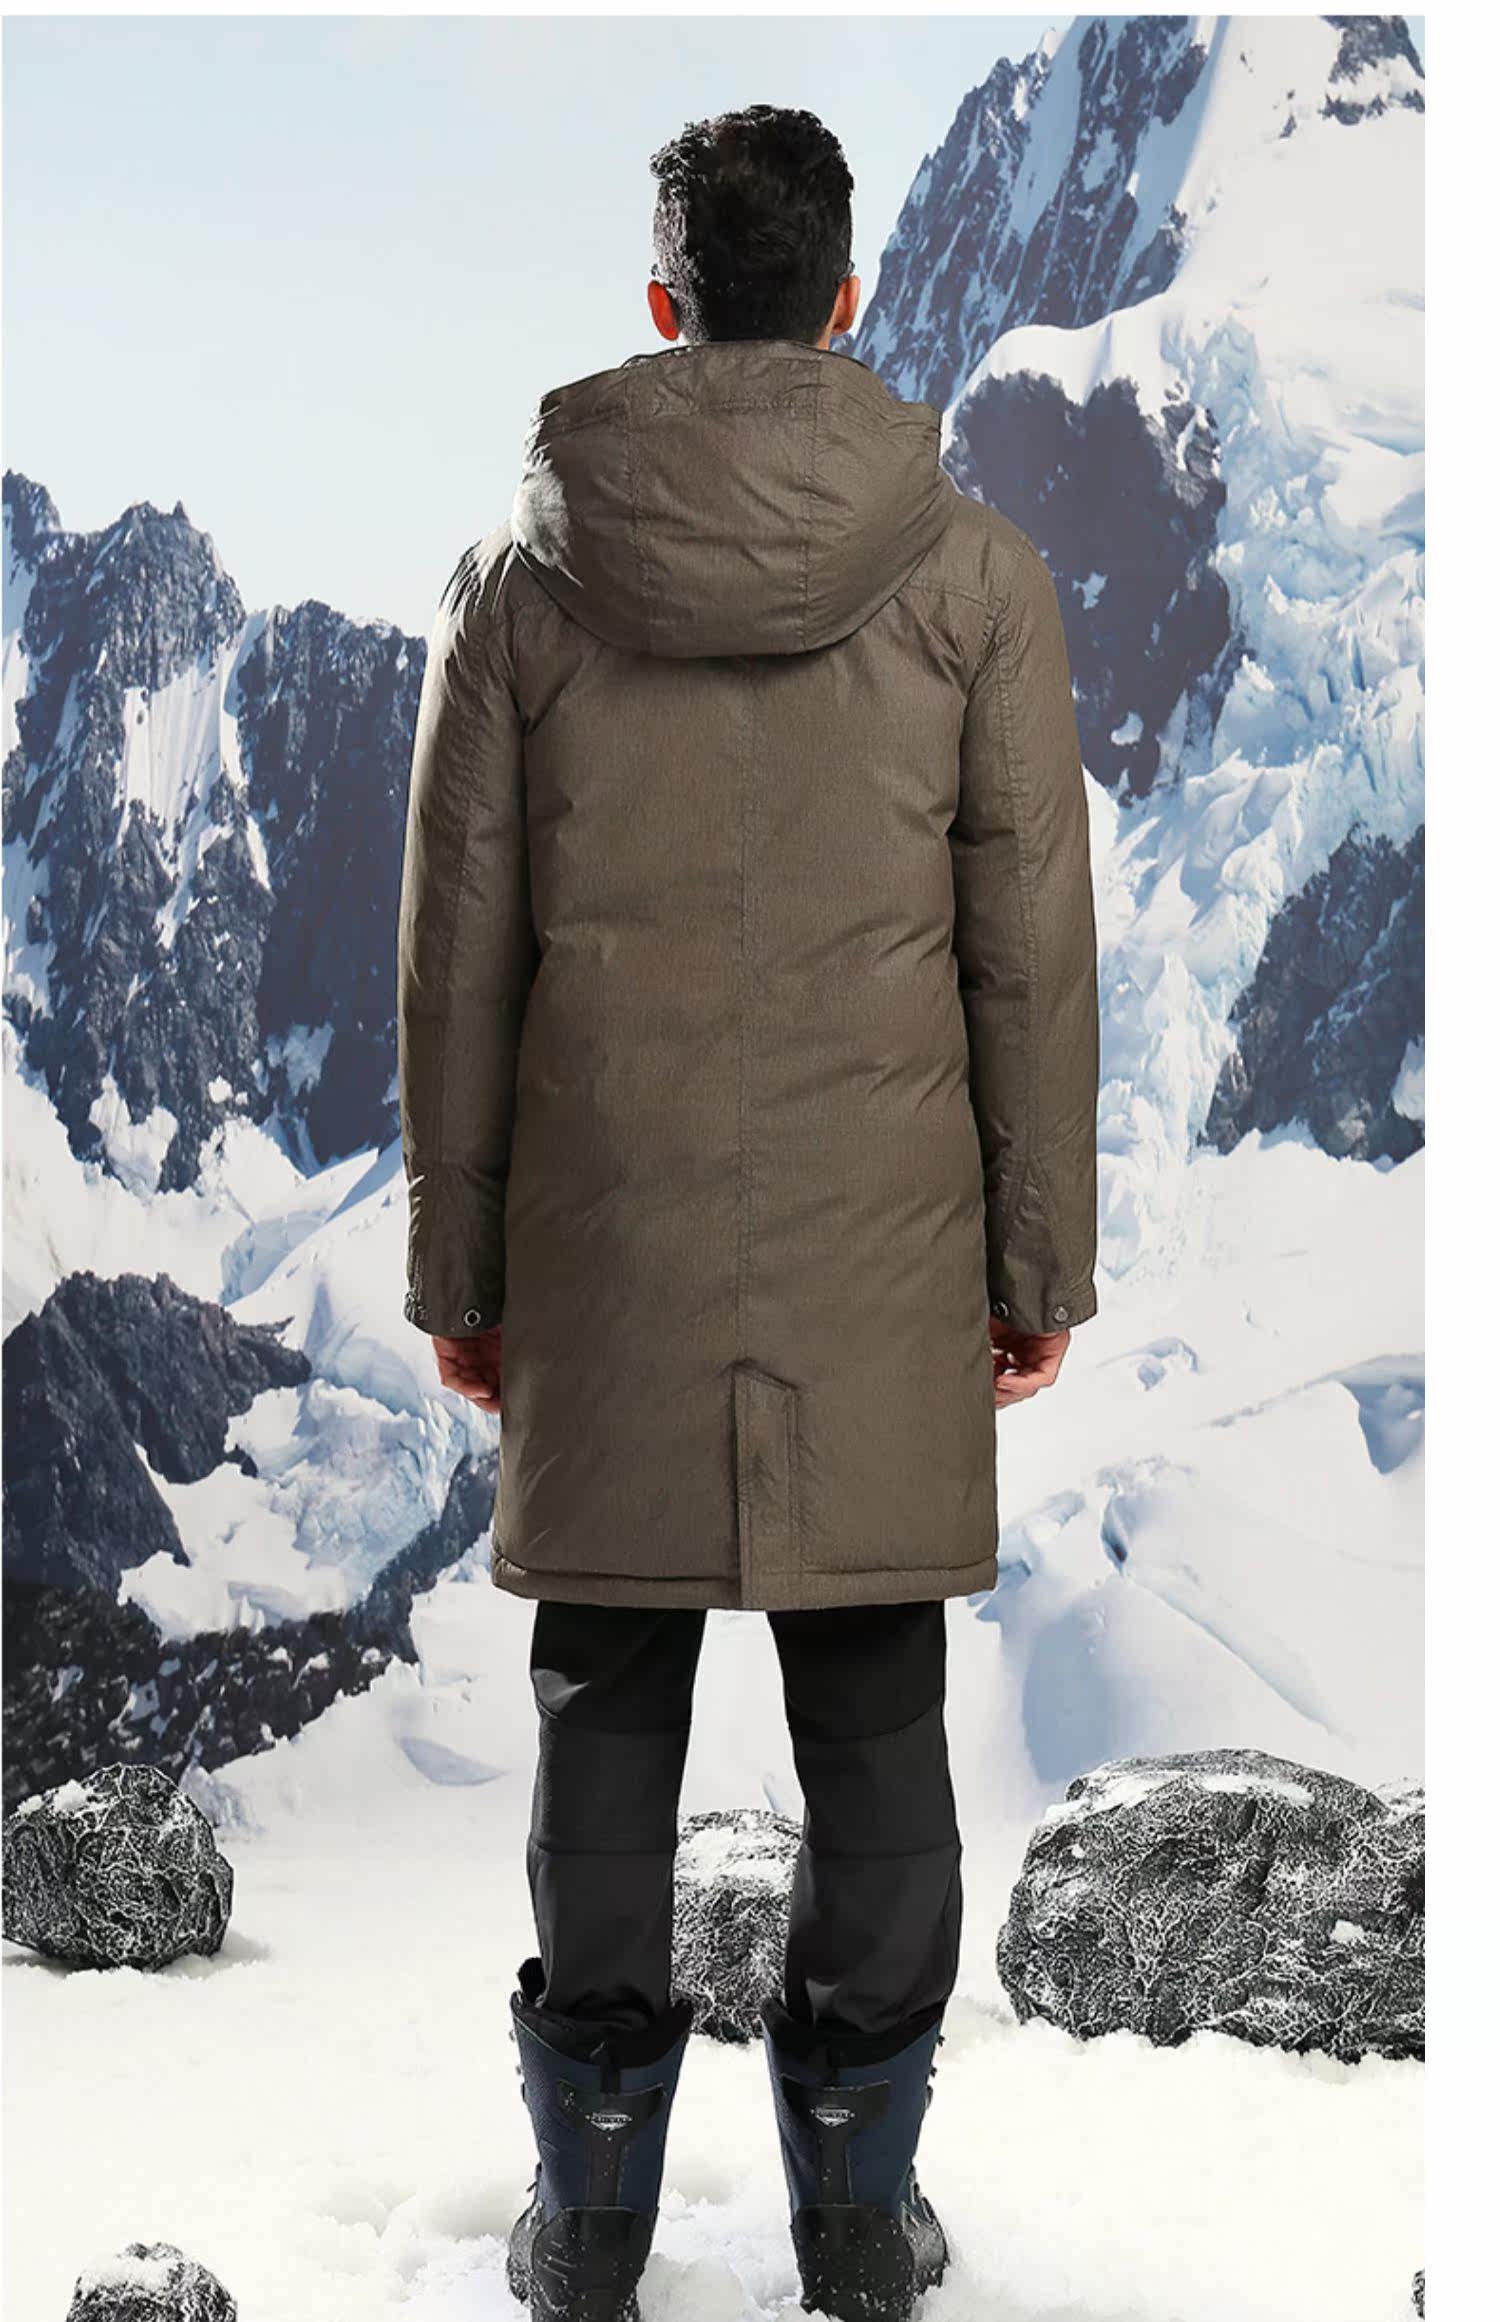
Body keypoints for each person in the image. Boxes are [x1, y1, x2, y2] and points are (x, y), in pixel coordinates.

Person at [397, 102, 1098, 2322]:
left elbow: (458, 960)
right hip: (883, 1250)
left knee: (603, 1712)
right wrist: (1037, 1265)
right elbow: (1030, 956)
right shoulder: (977, 582)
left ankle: (595, 2218)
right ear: (850, 298)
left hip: (604, 1250)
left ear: (664, 303)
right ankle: (857, 2216)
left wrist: (461, 1266)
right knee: (876, 1720)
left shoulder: (518, 590)